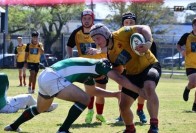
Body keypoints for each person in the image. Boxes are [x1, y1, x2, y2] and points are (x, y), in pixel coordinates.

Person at [4, 57, 144, 133]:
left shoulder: (90, 74)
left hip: (46, 75)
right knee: (84, 99)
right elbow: (119, 79)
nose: (122, 71)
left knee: (39, 109)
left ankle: (13, 126)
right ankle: (63, 130)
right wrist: (139, 90)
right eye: (103, 78)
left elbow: (92, 91)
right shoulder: (101, 65)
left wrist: (114, 94)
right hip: (53, 77)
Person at [90, 23, 161, 133]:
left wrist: (148, 42)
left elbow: (144, 27)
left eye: (98, 38)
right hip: (132, 74)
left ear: (105, 34)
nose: (97, 42)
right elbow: (120, 76)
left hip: (149, 65)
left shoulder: (121, 33)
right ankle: (130, 129)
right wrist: (109, 71)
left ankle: (154, 126)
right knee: (123, 106)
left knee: (149, 86)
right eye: (94, 40)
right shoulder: (110, 55)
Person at [66, 9, 108, 124]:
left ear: (92, 19)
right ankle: (90, 112)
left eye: (89, 18)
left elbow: (108, 46)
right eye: (84, 18)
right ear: (81, 19)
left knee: (101, 92)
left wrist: (98, 50)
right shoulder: (77, 32)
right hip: (85, 67)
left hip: (100, 65)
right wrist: (70, 57)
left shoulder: (100, 30)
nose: (86, 21)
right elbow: (69, 45)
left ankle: (99, 114)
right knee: (89, 92)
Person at [116, 12, 158, 123]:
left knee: (144, 89)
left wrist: (147, 45)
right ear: (122, 25)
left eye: (131, 22)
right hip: (128, 69)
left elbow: (153, 57)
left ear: (136, 24)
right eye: (126, 22)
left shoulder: (144, 37)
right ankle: (122, 114)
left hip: (144, 68)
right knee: (122, 88)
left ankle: (140, 110)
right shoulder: (119, 38)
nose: (129, 24)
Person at [177, 16, 196, 112]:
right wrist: (182, 50)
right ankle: (187, 88)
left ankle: (195, 105)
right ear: (192, 26)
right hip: (191, 64)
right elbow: (178, 45)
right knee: (194, 83)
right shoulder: (187, 36)